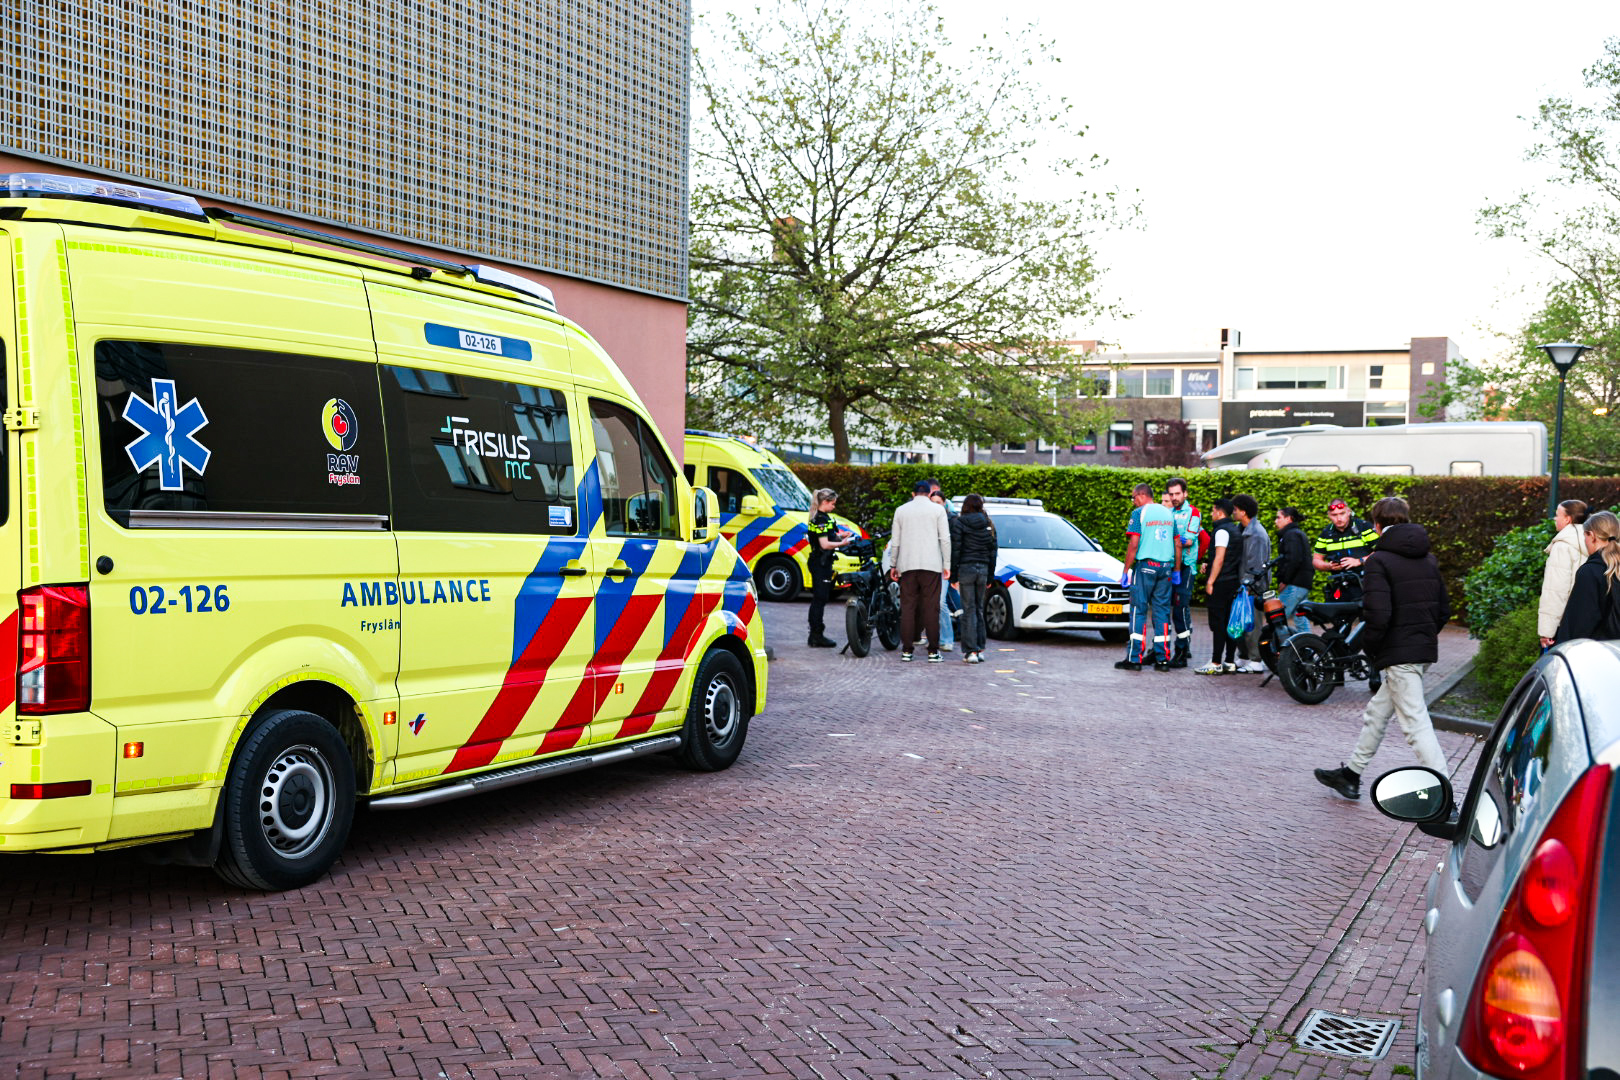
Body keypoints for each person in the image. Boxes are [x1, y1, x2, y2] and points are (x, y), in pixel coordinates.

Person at [1314, 497, 1450, 801]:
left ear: (1376, 525)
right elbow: (1443, 610)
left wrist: (1373, 650)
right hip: (1420, 649)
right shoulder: (1428, 559)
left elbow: (1377, 615)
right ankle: (1351, 774)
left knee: (1415, 723)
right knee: (1377, 713)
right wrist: (1422, 637)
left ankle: (1444, 794)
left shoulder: (1379, 560)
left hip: (1399, 654)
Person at [1116, 482, 1180, 672]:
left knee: (1138, 610)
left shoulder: (1139, 513)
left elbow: (1134, 544)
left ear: (1142, 495)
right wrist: (1176, 570)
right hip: (1165, 569)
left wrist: (1125, 571)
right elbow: (1177, 543)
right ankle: (1162, 660)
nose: (1133, 501)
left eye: (1134, 497)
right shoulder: (1168, 513)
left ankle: (1134, 659)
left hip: (1145, 568)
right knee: (1162, 613)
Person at [888, 479, 951, 662]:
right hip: (932, 565)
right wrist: (947, 564)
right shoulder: (938, 510)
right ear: (929, 493)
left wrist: (893, 565)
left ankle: (907, 650)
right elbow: (945, 539)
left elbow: (896, 541)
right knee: (931, 608)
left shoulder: (901, 510)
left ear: (913, 494)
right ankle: (933, 652)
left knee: (908, 607)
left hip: (907, 564)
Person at [1554, 510, 1620, 643]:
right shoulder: (1611, 569)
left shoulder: (1591, 571)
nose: (1584, 541)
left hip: (1598, 650)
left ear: (1592, 535)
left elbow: (1580, 623)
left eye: (1585, 536)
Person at [1196, 498, 1244, 675]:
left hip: (1221, 583)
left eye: (1212, 510)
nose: (1211, 514)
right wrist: (1208, 564)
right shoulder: (1235, 529)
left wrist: (1210, 581)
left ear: (1219, 512)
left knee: (1218, 624)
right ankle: (1229, 661)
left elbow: (1220, 558)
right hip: (1233, 582)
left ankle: (1216, 662)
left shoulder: (1221, 531)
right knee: (1231, 623)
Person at [951, 494, 998, 664]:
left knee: (968, 610)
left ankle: (970, 651)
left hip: (966, 568)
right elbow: (993, 552)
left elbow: (956, 549)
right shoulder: (988, 523)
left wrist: (953, 575)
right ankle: (980, 649)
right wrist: (990, 576)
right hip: (983, 569)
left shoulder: (959, 523)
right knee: (979, 609)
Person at [1539, 499, 1590, 648]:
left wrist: (1547, 631)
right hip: (1589, 621)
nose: (1555, 518)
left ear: (1567, 519)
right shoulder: (1593, 540)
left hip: (1565, 625)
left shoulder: (1562, 546)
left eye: (1557, 515)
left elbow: (1555, 591)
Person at [806, 488, 852, 647]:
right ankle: (816, 635)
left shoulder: (821, 518)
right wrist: (842, 543)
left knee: (820, 598)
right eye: (832, 504)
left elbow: (827, 537)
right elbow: (824, 544)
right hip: (821, 562)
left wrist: (839, 536)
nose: (834, 506)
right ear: (825, 502)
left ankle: (816, 635)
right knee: (820, 599)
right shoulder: (821, 520)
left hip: (820, 561)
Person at [1165, 477, 1202, 666]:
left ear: (1185, 493)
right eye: (1171, 494)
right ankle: (1166, 650)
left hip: (1186, 567)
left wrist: (1171, 540)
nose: (1174, 497)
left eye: (1177, 493)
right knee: (1166, 610)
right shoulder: (1168, 512)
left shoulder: (1193, 512)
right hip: (1169, 567)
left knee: (1180, 609)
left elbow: (1188, 540)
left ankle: (1182, 651)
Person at [1231, 494, 1270, 673]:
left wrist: (1247, 586)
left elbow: (1256, 565)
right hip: (1243, 586)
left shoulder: (1256, 534)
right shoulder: (1243, 530)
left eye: (1235, 509)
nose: (1233, 512)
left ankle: (1256, 659)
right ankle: (1245, 656)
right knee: (1242, 622)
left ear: (1244, 512)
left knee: (1252, 624)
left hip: (1252, 588)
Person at [1313, 499, 1379, 599]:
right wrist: (1328, 566)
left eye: (1342, 513)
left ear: (1349, 512)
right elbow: (1316, 560)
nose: (1339, 518)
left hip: (1366, 584)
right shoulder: (1326, 533)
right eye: (1334, 515)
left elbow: (1381, 552)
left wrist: (1359, 561)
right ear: (1329, 515)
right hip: (1339, 586)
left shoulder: (1364, 527)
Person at [1273, 506, 1313, 639]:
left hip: (1294, 584)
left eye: (1278, 517)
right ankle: (1308, 646)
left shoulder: (1291, 535)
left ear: (1289, 519)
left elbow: (1293, 560)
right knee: (1301, 620)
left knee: (1277, 618)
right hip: (1303, 584)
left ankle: (1281, 648)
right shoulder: (1296, 533)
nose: (1276, 521)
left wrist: (1285, 580)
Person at [928, 488, 958, 652]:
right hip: (928, 565)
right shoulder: (927, 520)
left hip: (944, 567)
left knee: (940, 602)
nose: (936, 506)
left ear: (945, 503)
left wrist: (952, 568)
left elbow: (955, 546)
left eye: (938, 503)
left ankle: (947, 639)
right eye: (933, 503)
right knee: (929, 602)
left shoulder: (952, 520)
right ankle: (934, 638)